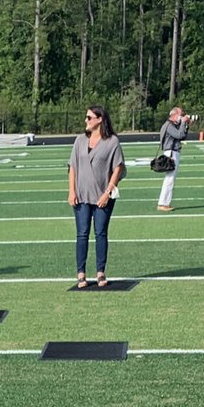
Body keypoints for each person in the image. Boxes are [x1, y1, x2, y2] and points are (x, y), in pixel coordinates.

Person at [68, 105, 126, 287]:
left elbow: (118, 167)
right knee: (82, 234)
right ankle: (81, 273)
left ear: (100, 119)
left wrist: (108, 192)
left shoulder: (112, 142)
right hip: (81, 195)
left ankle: (100, 272)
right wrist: (71, 191)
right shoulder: (79, 141)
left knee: (100, 233)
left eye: (89, 117)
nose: (86, 120)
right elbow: (73, 167)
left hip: (102, 196)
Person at [156, 107, 191, 211]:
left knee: (170, 178)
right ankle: (163, 203)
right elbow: (179, 135)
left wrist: (186, 125)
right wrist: (183, 123)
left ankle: (165, 202)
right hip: (171, 152)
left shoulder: (171, 125)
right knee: (169, 179)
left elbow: (183, 136)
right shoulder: (169, 125)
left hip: (172, 152)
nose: (182, 116)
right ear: (174, 115)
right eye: (181, 114)